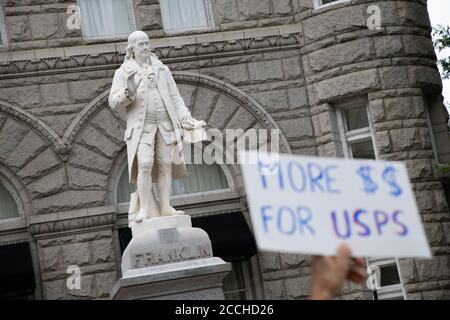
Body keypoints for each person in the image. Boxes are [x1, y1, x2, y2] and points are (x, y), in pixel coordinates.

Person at [109, 31, 205, 224]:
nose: (145, 47)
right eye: (140, 45)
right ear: (132, 48)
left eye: (147, 43)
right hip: (142, 128)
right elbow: (113, 102)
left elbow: (175, 97)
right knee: (145, 164)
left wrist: (186, 118)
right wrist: (128, 92)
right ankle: (145, 208)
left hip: (165, 125)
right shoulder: (123, 72)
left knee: (165, 164)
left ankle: (165, 206)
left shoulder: (162, 69)